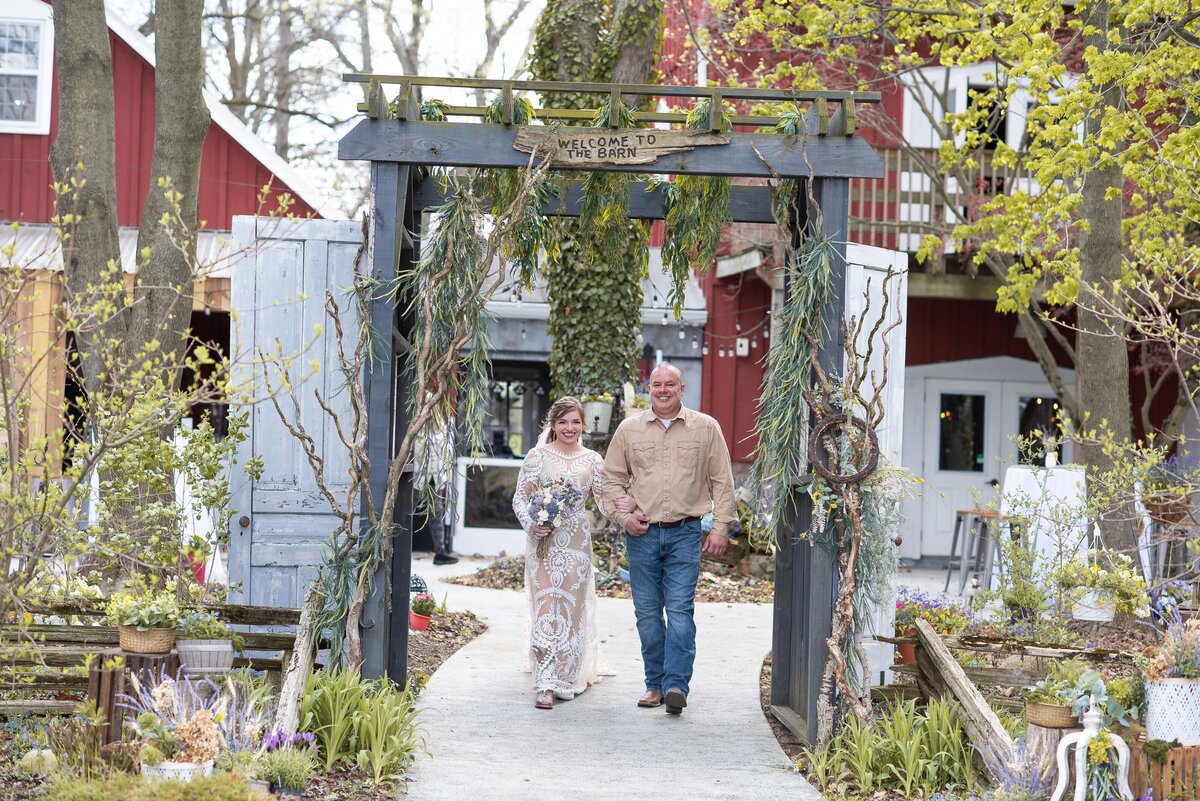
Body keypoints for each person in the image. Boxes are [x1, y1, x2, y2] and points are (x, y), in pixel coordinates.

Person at [602, 362, 735, 716]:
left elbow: (722, 480)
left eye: (670, 384)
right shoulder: (629, 430)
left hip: (685, 533)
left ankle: (676, 685)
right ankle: (654, 685)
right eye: (656, 384)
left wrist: (720, 527)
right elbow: (610, 480)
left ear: (682, 389)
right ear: (649, 389)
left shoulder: (706, 428)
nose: (662, 390)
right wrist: (624, 518)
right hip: (642, 535)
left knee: (679, 611)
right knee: (647, 614)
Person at [512, 396, 607, 710]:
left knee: (570, 610)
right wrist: (532, 524)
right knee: (545, 605)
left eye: (575, 422)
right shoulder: (537, 456)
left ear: (583, 424)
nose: (570, 428)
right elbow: (520, 499)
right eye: (563, 422)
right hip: (543, 545)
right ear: (552, 425)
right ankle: (544, 682)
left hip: (577, 545)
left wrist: (628, 507)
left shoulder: (593, 460)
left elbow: (605, 501)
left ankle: (565, 679)